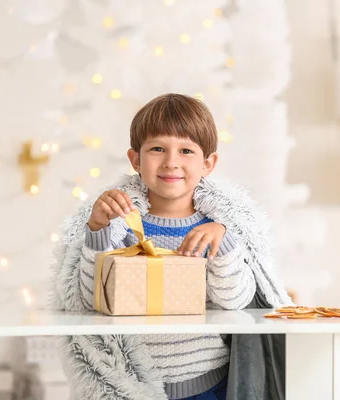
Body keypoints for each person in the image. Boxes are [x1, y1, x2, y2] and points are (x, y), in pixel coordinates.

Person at [51, 93, 293, 400]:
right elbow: (88, 300)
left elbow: (235, 301)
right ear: (136, 160)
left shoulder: (217, 227)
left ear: (208, 164)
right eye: (157, 149)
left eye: (186, 150)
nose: (171, 162)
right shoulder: (120, 223)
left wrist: (225, 243)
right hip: (134, 387)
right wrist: (98, 230)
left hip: (209, 384)